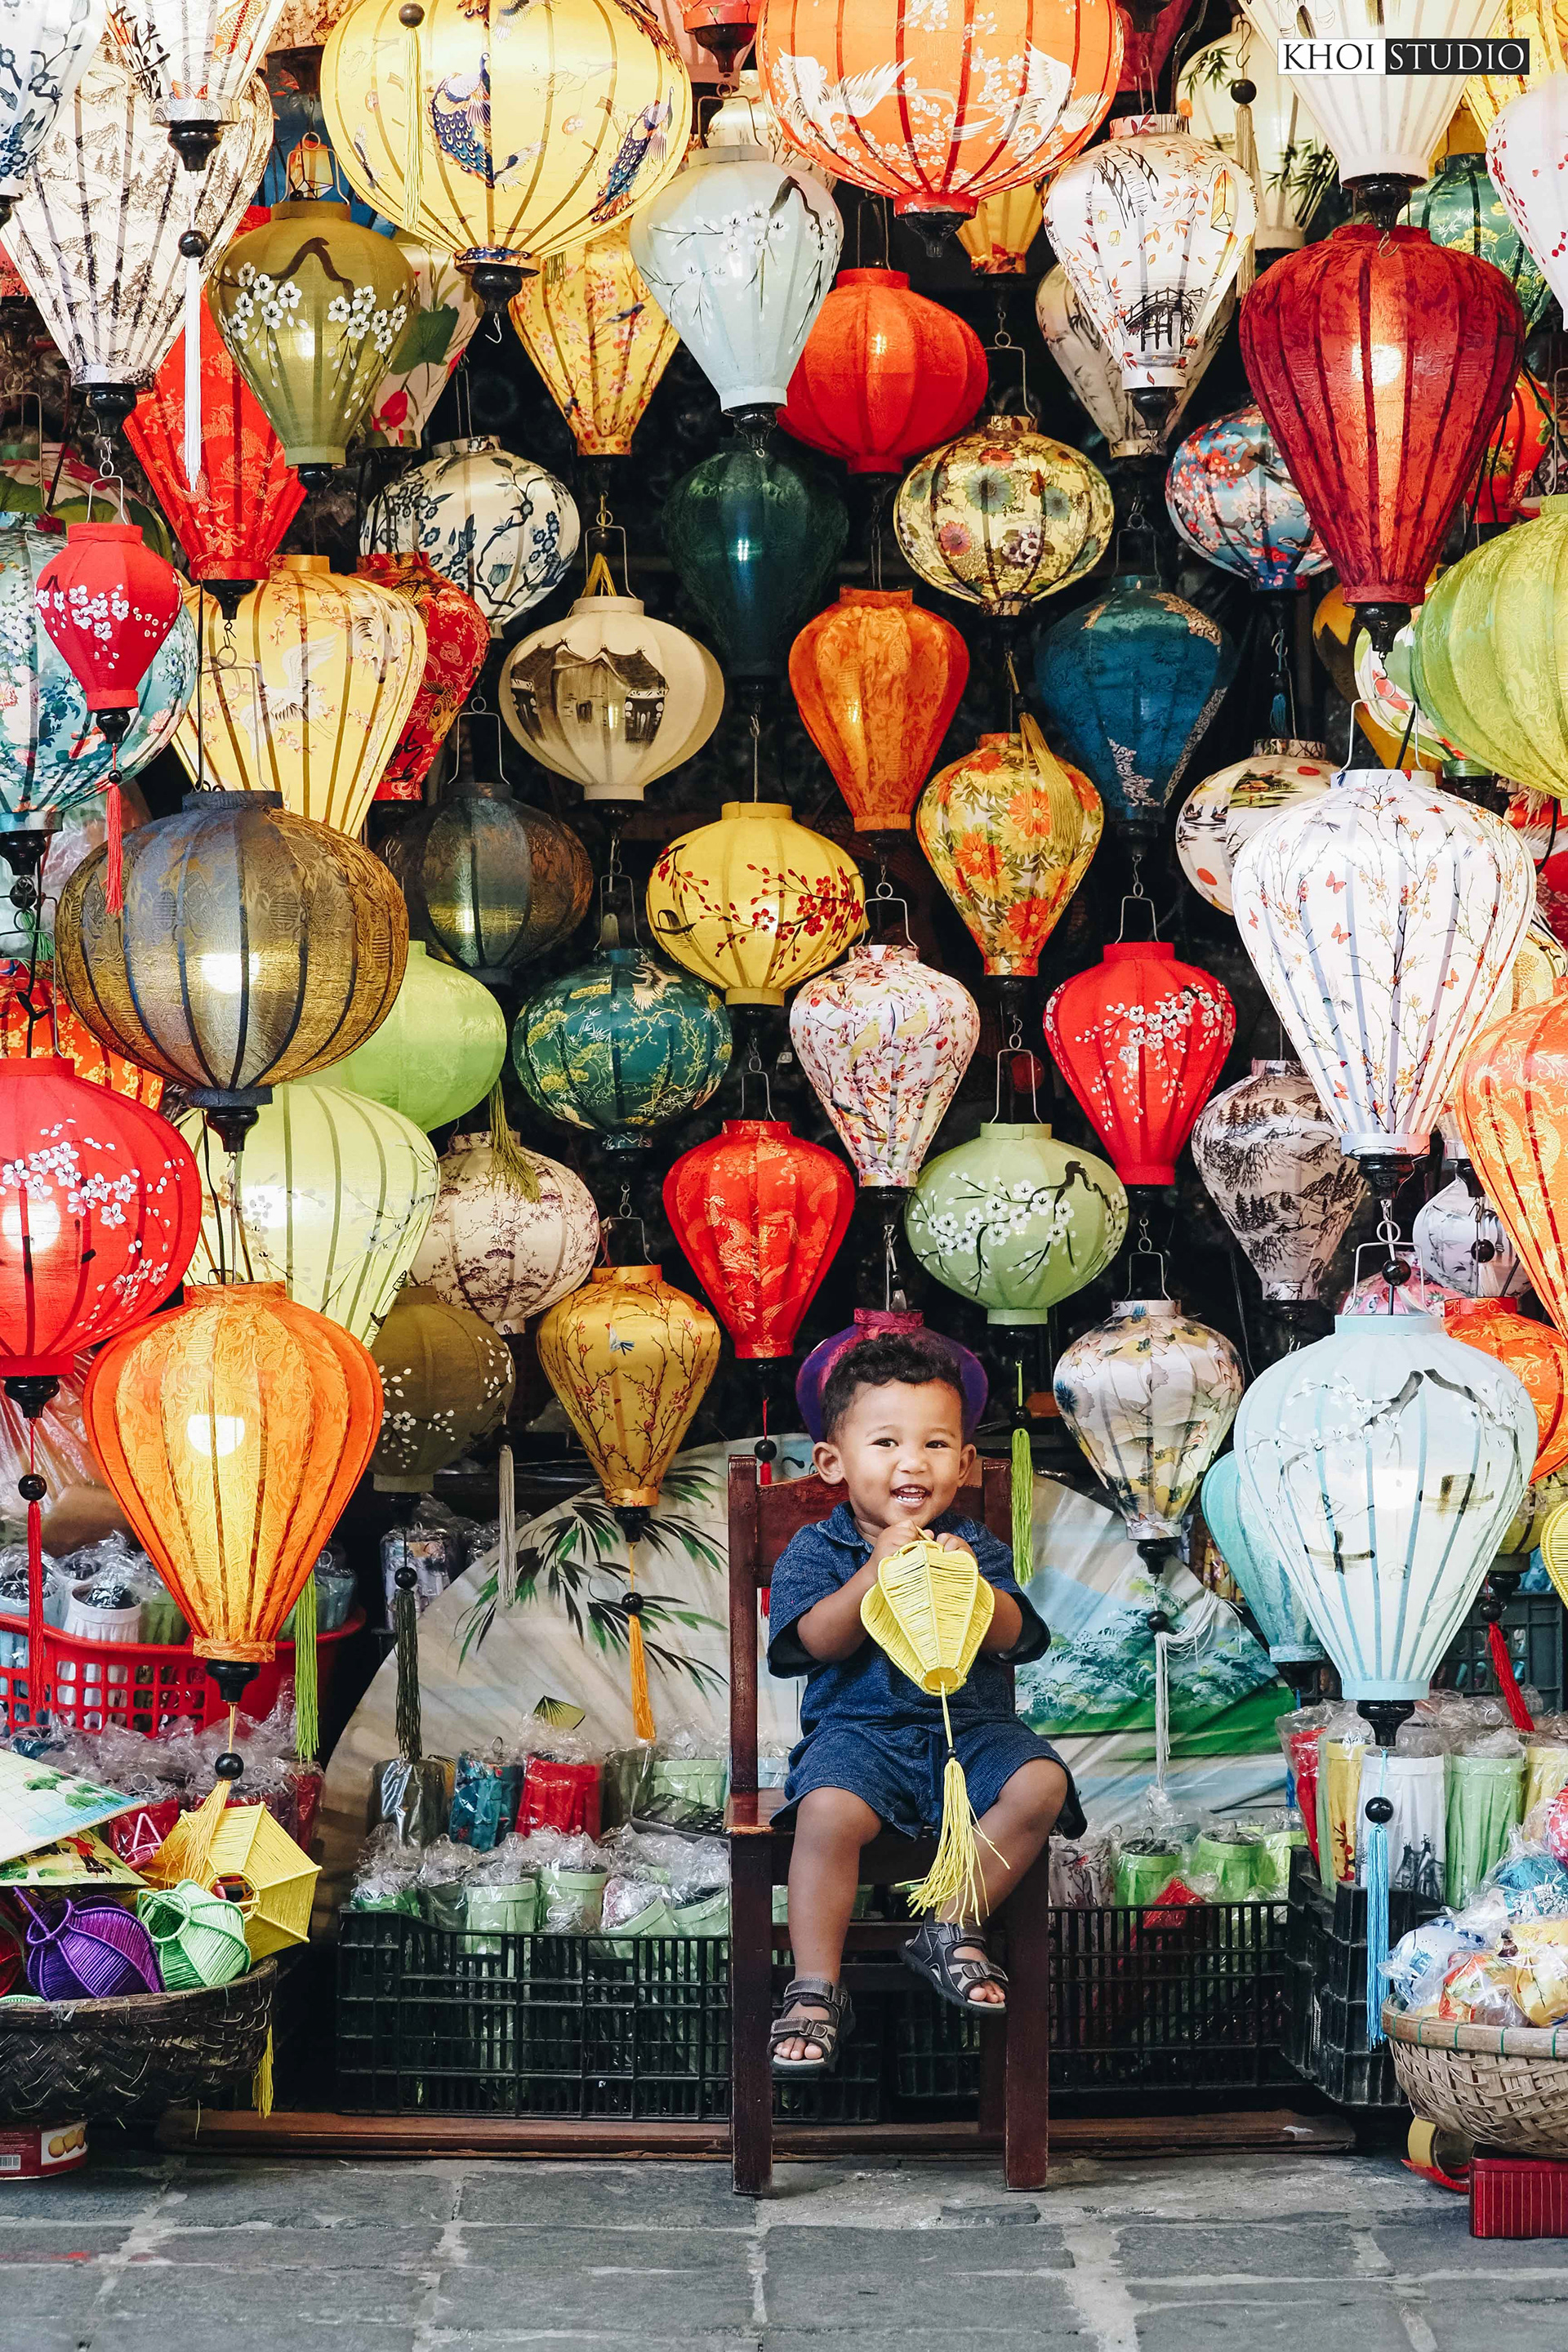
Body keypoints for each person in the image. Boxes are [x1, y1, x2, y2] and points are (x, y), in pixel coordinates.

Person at [764, 1332, 1084, 2075]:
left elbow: (1015, 1636)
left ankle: (951, 1926)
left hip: (971, 1734)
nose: (913, 1462)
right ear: (832, 1462)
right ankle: (815, 1985)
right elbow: (815, 1642)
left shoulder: (971, 1543)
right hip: (859, 1735)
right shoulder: (819, 1551)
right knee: (826, 1814)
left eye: (937, 1443)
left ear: (965, 1463)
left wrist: (972, 1584)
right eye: (886, 1442)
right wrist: (876, 1571)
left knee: (1042, 1782)